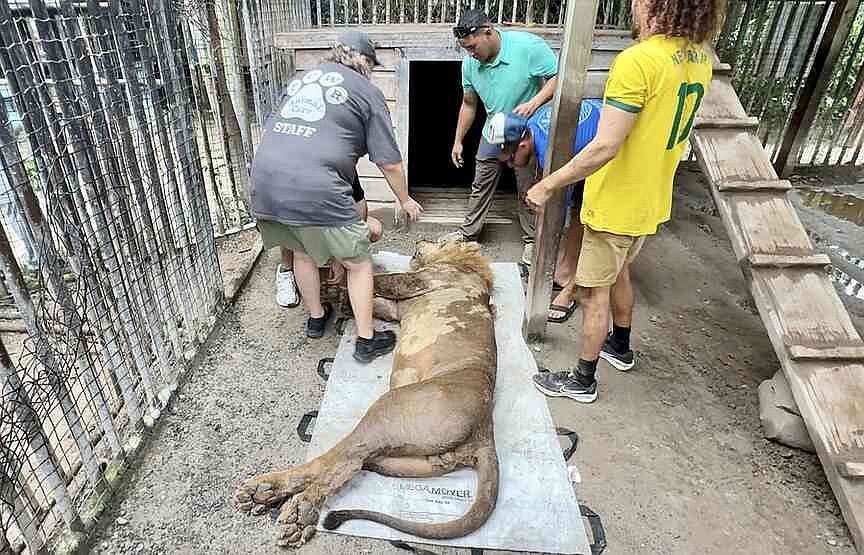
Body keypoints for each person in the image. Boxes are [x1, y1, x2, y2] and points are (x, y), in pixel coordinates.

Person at [527, 0, 723, 402]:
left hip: (616, 203)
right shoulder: (699, 58)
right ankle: (621, 345)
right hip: (651, 200)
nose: (634, 7)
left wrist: (549, 185)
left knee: (590, 292)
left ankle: (582, 380)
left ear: (655, 5)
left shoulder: (637, 61)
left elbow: (605, 146)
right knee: (620, 274)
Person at [251, 30, 423, 363]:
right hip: (316, 186)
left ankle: (316, 318)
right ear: (365, 63)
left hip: (266, 183)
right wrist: (403, 199)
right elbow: (388, 161)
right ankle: (366, 341)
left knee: (301, 250)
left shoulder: (301, 80)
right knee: (359, 265)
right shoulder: (367, 92)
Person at [442, 9, 559, 266]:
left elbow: (557, 77)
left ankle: (531, 240)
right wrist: (458, 140)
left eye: (473, 46)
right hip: (494, 130)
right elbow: (469, 103)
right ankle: (468, 234)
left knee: (528, 185)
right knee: (481, 182)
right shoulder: (470, 63)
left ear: (488, 31)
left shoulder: (528, 47)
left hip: (525, 131)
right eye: (465, 49)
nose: (471, 54)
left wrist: (535, 101)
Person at [485, 99, 602, 323]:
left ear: (522, 145)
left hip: (612, 155)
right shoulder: (535, 124)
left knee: (593, 225)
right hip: (590, 142)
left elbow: (558, 212)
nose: (509, 165)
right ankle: (566, 272)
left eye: (509, 160)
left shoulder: (553, 147)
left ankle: (573, 290)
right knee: (578, 211)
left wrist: (545, 202)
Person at [275, 174, 382, 307]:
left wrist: (341, 256)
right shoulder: (294, 167)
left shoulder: (340, 163)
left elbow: (358, 203)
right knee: (296, 236)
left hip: (330, 219)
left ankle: (337, 263)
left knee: (375, 229)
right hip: (298, 217)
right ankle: (286, 270)